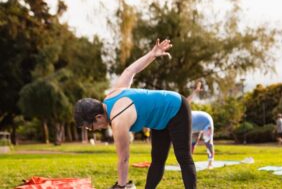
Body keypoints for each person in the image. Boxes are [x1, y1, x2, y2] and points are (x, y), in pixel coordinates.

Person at [74, 39, 196, 189]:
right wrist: (152, 54)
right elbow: (130, 71)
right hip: (159, 121)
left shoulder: (118, 121)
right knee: (157, 160)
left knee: (183, 157)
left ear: (98, 117)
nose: (95, 130)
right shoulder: (111, 96)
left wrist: (121, 186)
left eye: (92, 127)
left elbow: (124, 159)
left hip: (176, 108)